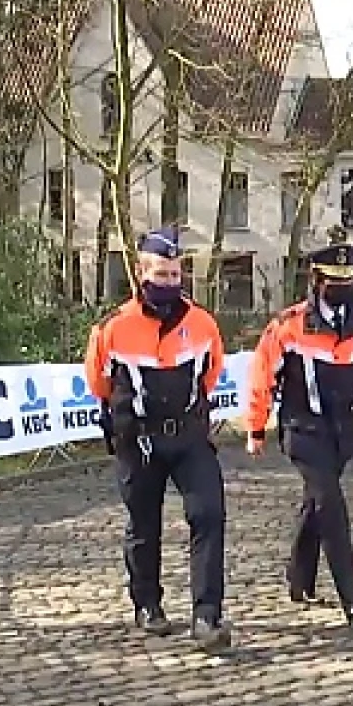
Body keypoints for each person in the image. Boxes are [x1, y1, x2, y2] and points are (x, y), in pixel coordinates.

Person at [244, 242, 353, 625]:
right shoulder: (288, 325)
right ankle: (351, 598)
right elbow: (261, 378)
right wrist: (256, 427)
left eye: (348, 280)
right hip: (301, 429)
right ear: (316, 281)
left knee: (317, 501)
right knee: (332, 506)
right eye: (333, 281)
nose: (341, 288)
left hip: (343, 433)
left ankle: (298, 576)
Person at [84, 228, 232, 650]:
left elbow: (210, 373)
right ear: (140, 273)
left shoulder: (202, 324)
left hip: (188, 436)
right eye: (161, 275)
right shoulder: (113, 328)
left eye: (174, 275)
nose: (168, 284)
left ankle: (207, 616)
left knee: (208, 516)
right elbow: (99, 382)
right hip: (139, 441)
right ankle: (147, 604)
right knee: (144, 526)